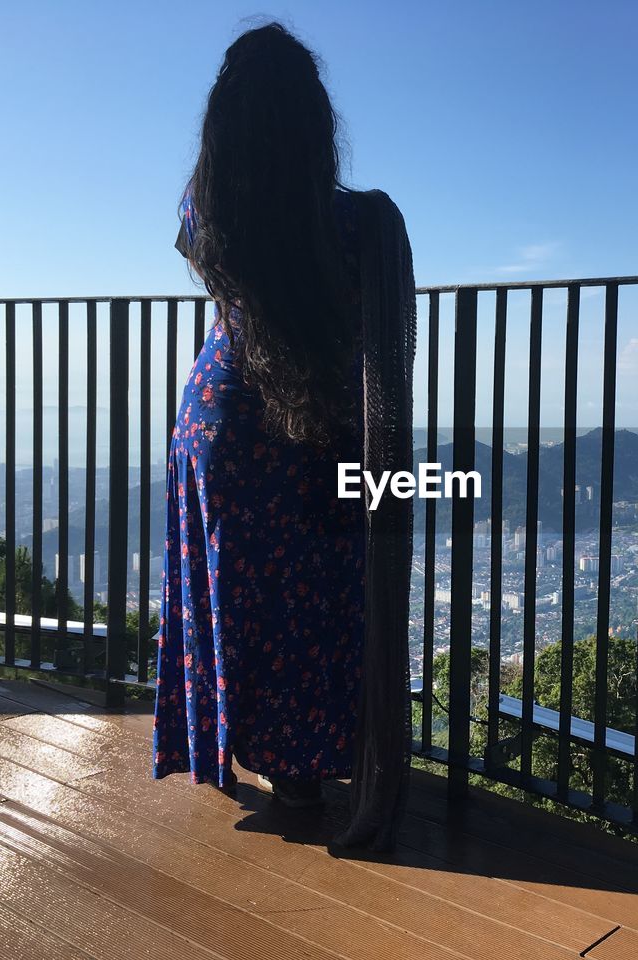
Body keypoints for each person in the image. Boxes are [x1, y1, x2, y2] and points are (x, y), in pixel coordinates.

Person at [152, 21, 416, 852]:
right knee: (316, 594)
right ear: (315, 124)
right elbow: (377, 343)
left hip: (215, 419)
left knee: (231, 591)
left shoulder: (204, 210)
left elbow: (209, 268)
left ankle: (231, 744)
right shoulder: (357, 225)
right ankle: (304, 767)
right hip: (313, 428)